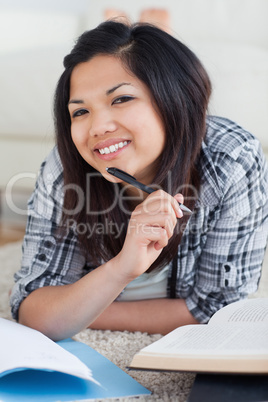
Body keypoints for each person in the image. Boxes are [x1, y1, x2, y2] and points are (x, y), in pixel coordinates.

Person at [10, 20, 268, 341]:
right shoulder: (65, 167)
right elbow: (33, 311)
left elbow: (221, 309)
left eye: (120, 99)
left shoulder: (231, 158)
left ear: (175, 97)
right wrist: (120, 269)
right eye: (80, 112)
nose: (97, 127)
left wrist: (80, 308)